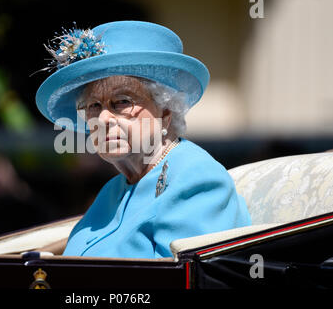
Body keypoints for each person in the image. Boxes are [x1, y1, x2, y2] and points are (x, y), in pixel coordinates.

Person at [35, 20, 251, 258]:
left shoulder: (196, 178)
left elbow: (179, 279)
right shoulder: (112, 190)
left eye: (122, 102)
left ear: (165, 114)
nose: (103, 118)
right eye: (94, 106)